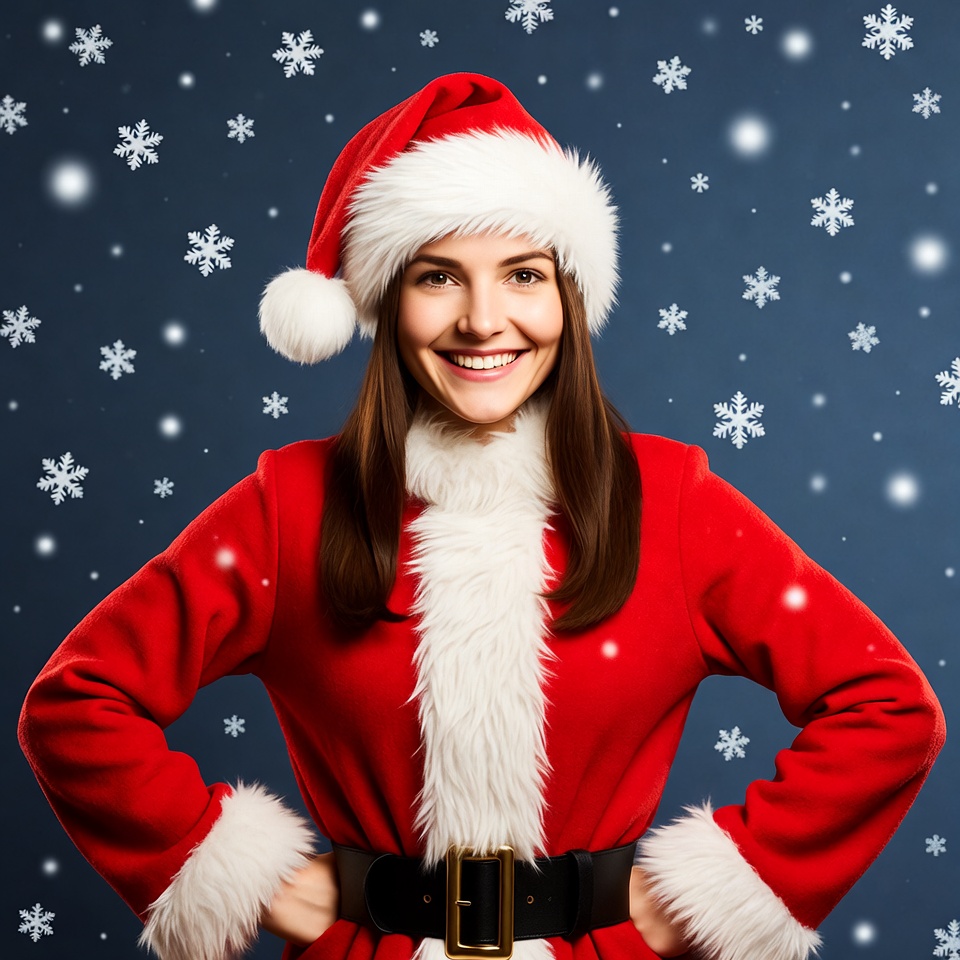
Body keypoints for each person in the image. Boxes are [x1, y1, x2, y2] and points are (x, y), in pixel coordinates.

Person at [18, 73, 945, 960]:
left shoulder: (666, 501)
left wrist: (699, 898)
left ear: (569, 299)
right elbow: (76, 704)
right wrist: (254, 881)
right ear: (385, 300)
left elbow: (887, 706)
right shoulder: (290, 505)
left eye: (524, 275)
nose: (483, 320)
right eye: (437, 277)